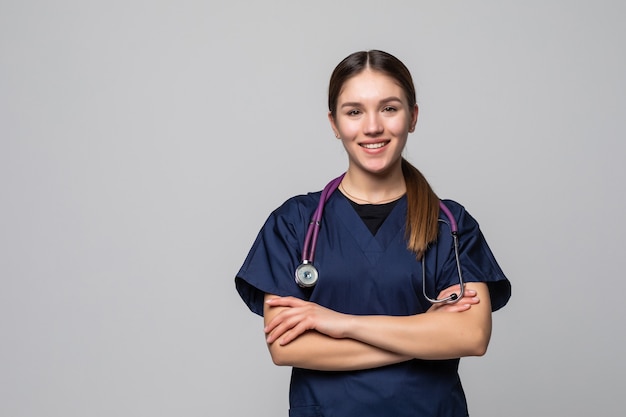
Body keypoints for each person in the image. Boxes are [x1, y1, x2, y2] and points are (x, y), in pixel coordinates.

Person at [235, 49, 511, 417]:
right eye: (354, 111)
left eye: (389, 108)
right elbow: (287, 348)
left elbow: (472, 337)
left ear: (412, 117)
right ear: (334, 124)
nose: (372, 127)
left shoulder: (451, 225)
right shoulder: (293, 224)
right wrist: (426, 333)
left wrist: (338, 323)